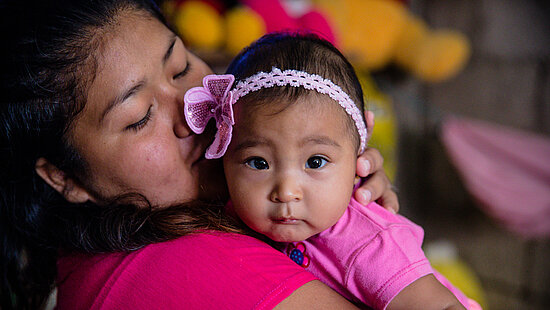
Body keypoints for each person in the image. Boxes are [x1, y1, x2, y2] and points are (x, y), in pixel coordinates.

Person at [0, 0, 400, 309]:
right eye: (139, 117)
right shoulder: (172, 268)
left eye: (180, 66)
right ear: (63, 177)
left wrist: (342, 203)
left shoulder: (220, 209)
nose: (194, 110)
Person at [183, 33, 481, 309]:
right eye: (258, 163)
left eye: (315, 162)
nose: (286, 191)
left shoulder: (370, 242)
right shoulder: (228, 214)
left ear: (358, 160)